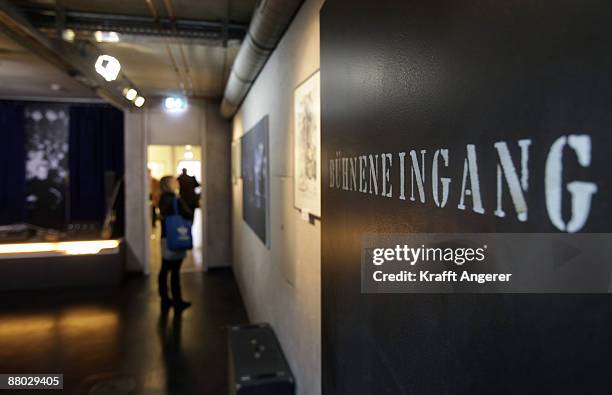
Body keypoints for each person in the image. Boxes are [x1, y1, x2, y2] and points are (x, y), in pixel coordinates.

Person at [158, 175, 193, 310]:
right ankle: (177, 301)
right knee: (174, 270)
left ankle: (165, 298)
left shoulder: (162, 198)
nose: (177, 182)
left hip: (166, 236)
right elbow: (188, 213)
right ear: (169, 184)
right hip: (175, 237)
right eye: (174, 181)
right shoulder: (174, 199)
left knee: (165, 268)